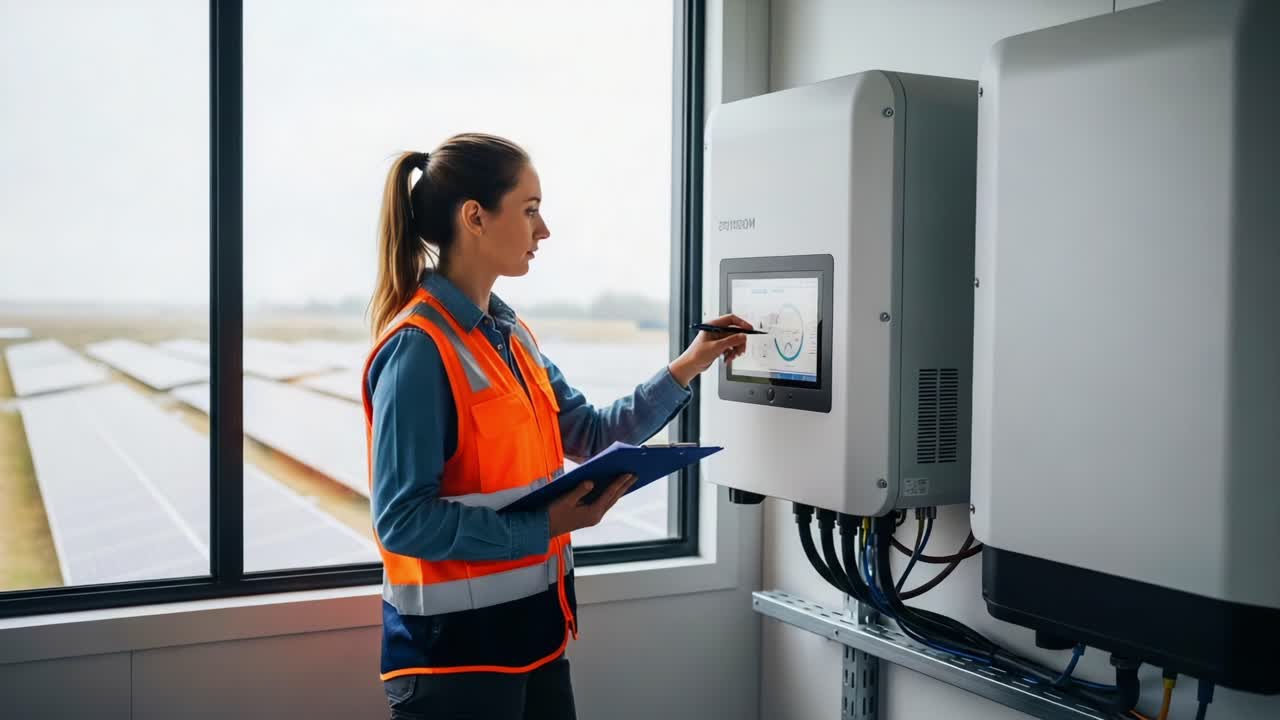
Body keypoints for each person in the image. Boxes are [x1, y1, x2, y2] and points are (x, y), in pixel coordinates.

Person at [362, 132, 750, 720]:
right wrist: (544, 526)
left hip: (533, 642)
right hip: (454, 664)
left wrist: (691, 362)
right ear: (475, 217)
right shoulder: (418, 350)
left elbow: (591, 433)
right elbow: (402, 521)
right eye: (530, 210)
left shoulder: (512, 335)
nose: (544, 230)